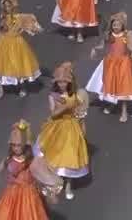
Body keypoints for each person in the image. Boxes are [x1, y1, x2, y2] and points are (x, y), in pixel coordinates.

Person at [0, 120, 62, 220]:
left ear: (25, 145)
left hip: (29, 197)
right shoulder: (8, 159)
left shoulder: (32, 161)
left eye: (19, 145)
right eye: (13, 145)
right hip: (11, 196)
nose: (16, 148)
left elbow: (41, 176)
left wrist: (51, 189)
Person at [35, 62, 90, 200]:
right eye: (59, 82)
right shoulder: (52, 96)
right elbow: (53, 114)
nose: (62, 85)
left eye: (64, 82)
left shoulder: (75, 95)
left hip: (72, 128)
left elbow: (80, 113)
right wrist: (65, 107)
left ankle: (69, 186)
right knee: (55, 155)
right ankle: (55, 182)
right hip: (57, 128)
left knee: (70, 157)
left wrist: (82, 126)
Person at [86, 12, 132, 123]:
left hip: (124, 64)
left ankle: (124, 111)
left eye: (118, 25)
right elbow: (103, 45)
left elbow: (129, 47)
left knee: (123, 88)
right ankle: (112, 104)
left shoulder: (126, 36)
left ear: (122, 25)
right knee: (111, 85)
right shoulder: (109, 35)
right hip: (111, 63)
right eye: (114, 25)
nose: (116, 27)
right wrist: (95, 49)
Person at [0, 0, 42, 100]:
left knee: (18, 66)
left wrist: (32, 28)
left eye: (9, 6)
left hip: (17, 44)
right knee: (0, 66)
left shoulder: (19, 18)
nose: (7, 8)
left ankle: (22, 87)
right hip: (3, 43)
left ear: (13, 6)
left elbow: (30, 25)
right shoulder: (3, 18)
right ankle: (1, 89)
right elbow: (1, 31)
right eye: (5, 6)